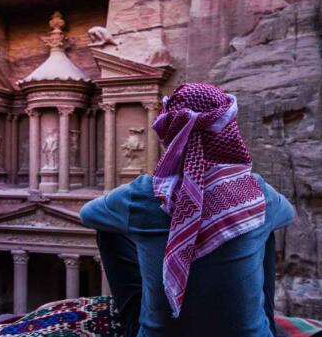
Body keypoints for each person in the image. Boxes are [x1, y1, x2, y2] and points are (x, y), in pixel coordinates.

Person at [80, 83, 295, 337]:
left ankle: (140, 320)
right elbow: (288, 214)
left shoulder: (141, 195)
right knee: (261, 223)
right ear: (228, 128)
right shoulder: (256, 191)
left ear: (168, 133)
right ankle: (267, 325)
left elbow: (88, 214)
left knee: (110, 228)